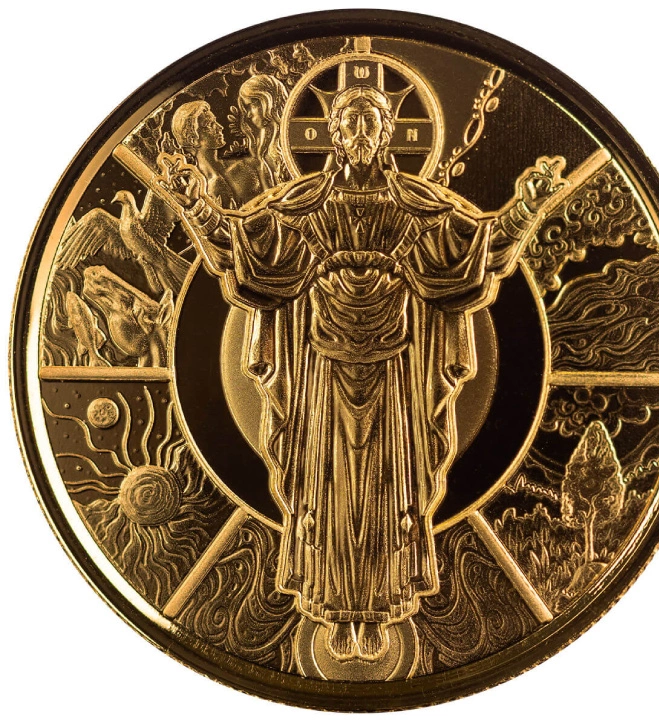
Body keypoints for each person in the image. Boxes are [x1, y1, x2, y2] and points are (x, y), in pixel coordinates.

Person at [163, 84, 565, 661]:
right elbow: (241, 250)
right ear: (333, 133)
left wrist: (528, 208)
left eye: (369, 122)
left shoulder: (416, 209)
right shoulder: (304, 208)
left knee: (391, 487)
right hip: (320, 375)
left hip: (397, 376)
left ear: (386, 134)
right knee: (323, 486)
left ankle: (382, 601)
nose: (358, 133)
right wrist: (196, 205)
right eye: (348, 122)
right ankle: (328, 598)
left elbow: (478, 252)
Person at [226, 74, 289, 200]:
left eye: (252, 105)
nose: (249, 115)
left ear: (267, 102)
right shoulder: (263, 150)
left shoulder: (289, 144)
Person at [170, 101, 237, 207]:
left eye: (215, 122)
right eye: (209, 124)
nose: (220, 127)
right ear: (193, 139)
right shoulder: (196, 191)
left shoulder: (240, 165)